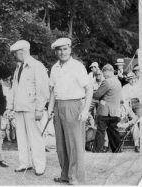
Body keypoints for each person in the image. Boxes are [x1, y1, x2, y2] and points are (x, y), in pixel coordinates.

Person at [47, 38, 93, 185]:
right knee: (61, 146)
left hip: (74, 106)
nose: (62, 52)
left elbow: (89, 88)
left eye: (65, 49)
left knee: (74, 145)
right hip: (58, 106)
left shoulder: (77, 66)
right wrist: (49, 108)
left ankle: (76, 178)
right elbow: (53, 90)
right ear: (56, 52)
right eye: (59, 50)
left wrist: (85, 110)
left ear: (70, 49)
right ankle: (65, 175)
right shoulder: (54, 68)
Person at [5, 40, 49, 176]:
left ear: (23, 51)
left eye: (16, 53)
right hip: (19, 108)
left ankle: (39, 165)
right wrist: (9, 107)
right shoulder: (18, 67)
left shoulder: (37, 66)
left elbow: (42, 90)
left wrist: (39, 109)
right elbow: (14, 89)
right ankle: (24, 163)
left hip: (32, 108)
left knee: (35, 138)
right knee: (21, 137)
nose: (14, 56)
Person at [93, 64, 122, 153]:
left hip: (105, 111)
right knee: (113, 131)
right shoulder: (118, 82)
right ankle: (117, 149)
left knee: (101, 131)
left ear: (108, 71)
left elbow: (97, 95)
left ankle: (97, 149)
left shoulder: (107, 82)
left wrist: (96, 94)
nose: (103, 75)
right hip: (115, 112)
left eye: (103, 72)